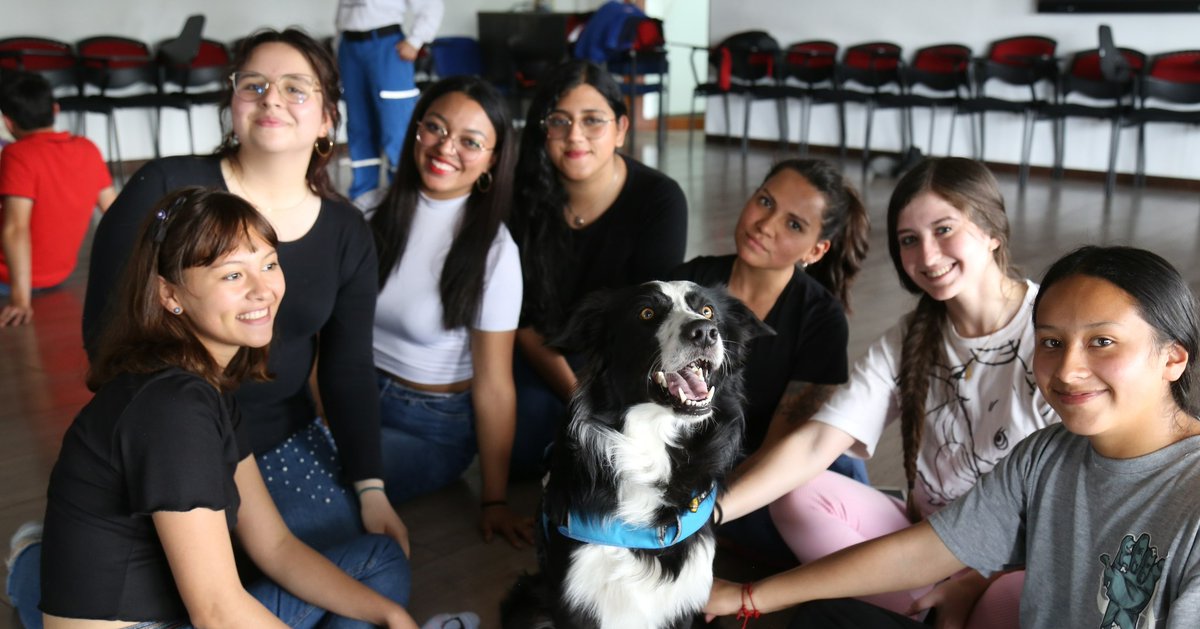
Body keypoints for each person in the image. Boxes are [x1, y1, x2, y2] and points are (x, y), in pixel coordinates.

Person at [705, 245, 1200, 629]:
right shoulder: (1046, 457)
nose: (1068, 370)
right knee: (819, 618)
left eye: (1103, 342)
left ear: (1173, 358)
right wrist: (752, 596)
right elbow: (925, 551)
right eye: (1051, 342)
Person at [7, 188, 417, 629]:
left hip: (142, 604)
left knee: (378, 570)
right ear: (169, 295)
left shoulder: (201, 389)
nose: (263, 290)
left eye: (269, 264)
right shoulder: (173, 409)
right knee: (378, 563)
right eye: (231, 276)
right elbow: (217, 613)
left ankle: (30, 561)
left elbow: (275, 545)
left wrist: (394, 617)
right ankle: (30, 561)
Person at [81, 29, 408, 553]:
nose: (271, 98)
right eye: (253, 84)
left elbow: (347, 369)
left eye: (296, 88)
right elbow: (105, 336)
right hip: (168, 440)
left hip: (281, 441)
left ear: (327, 119)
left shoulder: (347, 230)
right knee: (183, 592)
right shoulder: (164, 188)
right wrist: (179, 446)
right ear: (232, 103)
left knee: (373, 568)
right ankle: (35, 557)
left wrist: (371, 487)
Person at [718, 157, 1056, 627]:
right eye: (909, 241)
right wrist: (707, 512)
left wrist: (980, 573)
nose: (928, 255)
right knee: (801, 493)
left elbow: (1069, 507)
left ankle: (923, 605)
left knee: (1028, 596)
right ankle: (931, 607)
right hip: (924, 538)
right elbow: (820, 441)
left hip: (1009, 564)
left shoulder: (1052, 332)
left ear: (991, 229)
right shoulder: (910, 335)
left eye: (944, 230)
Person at [668, 159, 870, 561]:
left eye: (794, 224)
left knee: (818, 500)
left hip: (766, 474)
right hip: (691, 460)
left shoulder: (821, 319)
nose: (766, 224)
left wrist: (702, 513)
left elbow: (783, 450)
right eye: (765, 201)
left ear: (817, 250)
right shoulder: (687, 282)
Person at [369, 75, 532, 547]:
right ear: (416, 130)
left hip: (430, 425)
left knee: (330, 480)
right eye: (435, 128)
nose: (446, 148)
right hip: (355, 394)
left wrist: (494, 501)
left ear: (492, 160)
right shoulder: (369, 209)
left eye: (470, 141)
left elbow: (496, 384)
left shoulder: (495, 252)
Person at [508, 59, 688, 479]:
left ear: (621, 129)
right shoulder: (525, 197)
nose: (575, 136)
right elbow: (522, 319)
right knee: (524, 447)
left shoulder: (659, 199)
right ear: (543, 128)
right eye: (559, 121)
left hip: (623, 358)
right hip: (542, 350)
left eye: (592, 121)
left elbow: (653, 319)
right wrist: (578, 398)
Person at [0, 70, 115, 327]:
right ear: (55, 109)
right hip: (59, 274)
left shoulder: (19, 154)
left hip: (11, 280)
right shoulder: (87, 148)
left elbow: (15, 229)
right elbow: (116, 212)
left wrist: (20, 299)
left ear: (8, 122)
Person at [336, 0, 444, 202]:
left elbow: (432, 5)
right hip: (349, 47)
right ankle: (363, 197)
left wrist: (415, 40)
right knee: (359, 126)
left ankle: (403, 195)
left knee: (397, 128)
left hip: (387, 46)